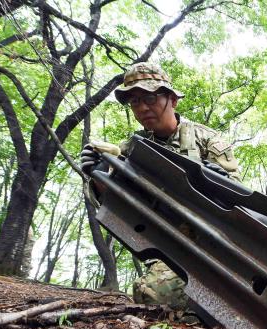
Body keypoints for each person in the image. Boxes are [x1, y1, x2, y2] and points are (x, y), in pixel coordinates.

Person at [80, 62, 241, 312]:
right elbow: (114, 206)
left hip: (218, 242)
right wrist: (98, 176)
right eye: (134, 101)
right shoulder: (131, 149)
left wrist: (217, 182)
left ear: (173, 100)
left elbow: (240, 201)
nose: (142, 107)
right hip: (171, 243)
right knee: (150, 295)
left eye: (151, 98)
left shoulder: (208, 139)